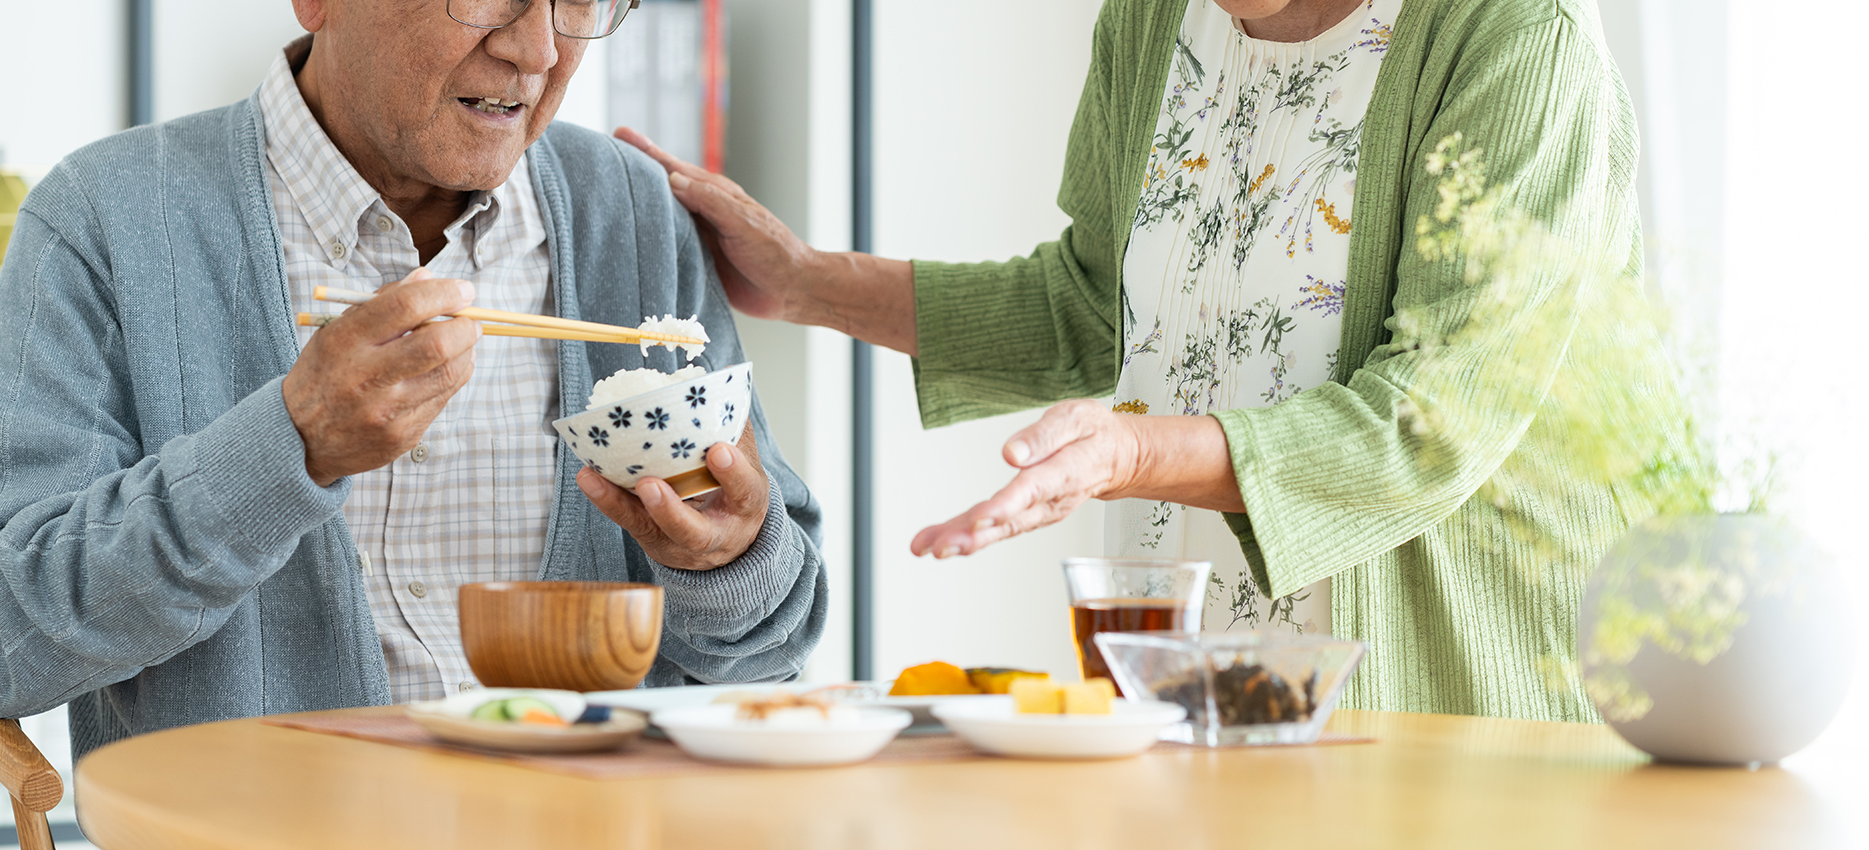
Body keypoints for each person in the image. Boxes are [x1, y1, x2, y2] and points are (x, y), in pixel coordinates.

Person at [622, 0, 1663, 722]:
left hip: (1442, 702)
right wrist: (805, 280)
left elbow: (1436, 417)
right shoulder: (1154, 18)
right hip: (1197, 698)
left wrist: (1127, 455)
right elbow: (1096, 301)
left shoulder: (1519, 38)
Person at [0, 0, 826, 758]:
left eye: (583, 0)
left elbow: (774, 649)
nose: (539, 50)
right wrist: (288, 449)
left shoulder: (626, 211)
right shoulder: (111, 218)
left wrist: (729, 561)